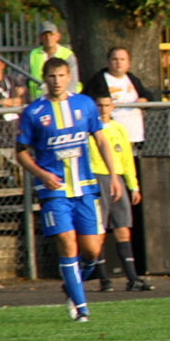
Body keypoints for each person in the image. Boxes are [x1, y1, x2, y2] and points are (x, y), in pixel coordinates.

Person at [16, 57, 121, 321]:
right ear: (44, 78)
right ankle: (81, 310)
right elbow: (21, 153)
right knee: (67, 242)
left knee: (92, 251)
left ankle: (72, 286)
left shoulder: (84, 104)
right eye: (52, 77)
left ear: (69, 76)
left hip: (85, 188)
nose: (57, 81)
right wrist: (42, 174)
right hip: (55, 192)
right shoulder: (34, 112)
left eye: (62, 76)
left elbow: (101, 141)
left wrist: (114, 176)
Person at [87, 94, 154, 293]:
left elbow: (126, 159)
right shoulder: (88, 130)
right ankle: (104, 279)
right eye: (99, 105)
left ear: (112, 106)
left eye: (106, 105)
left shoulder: (119, 129)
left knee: (123, 228)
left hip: (117, 180)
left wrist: (133, 186)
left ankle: (132, 278)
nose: (103, 108)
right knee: (98, 231)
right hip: (97, 178)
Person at [84, 47, 157, 151]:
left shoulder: (131, 78)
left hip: (134, 133)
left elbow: (147, 94)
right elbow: (88, 101)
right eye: (115, 59)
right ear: (108, 61)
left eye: (122, 59)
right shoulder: (99, 80)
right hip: (111, 133)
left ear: (128, 63)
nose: (119, 63)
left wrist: (144, 99)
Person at [23, 21, 80, 100]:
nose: (48, 38)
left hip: (63, 100)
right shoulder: (33, 55)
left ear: (58, 36)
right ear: (40, 38)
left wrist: (68, 100)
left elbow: (72, 81)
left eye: (51, 34)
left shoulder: (68, 55)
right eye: (45, 35)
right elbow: (20, 77)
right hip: (38, 101)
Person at [0, 56, 27, 148]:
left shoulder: (13, 81)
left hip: (17, 128)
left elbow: (24, 100)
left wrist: (6, 102)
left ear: (2, 65)